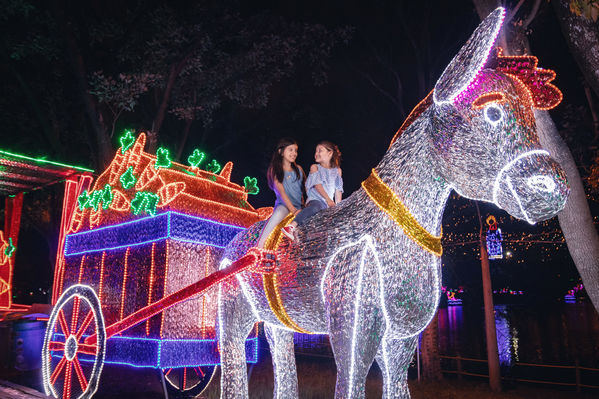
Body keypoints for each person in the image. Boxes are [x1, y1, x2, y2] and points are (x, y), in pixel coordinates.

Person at [282, 140, 343, 240]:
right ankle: (291, 226)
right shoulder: (315, 167)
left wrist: (338, 207)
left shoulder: (337, 171)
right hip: (316, 200)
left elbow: (338, 190)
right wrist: (328, 200)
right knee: (317, 206)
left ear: (330, 153)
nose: (316, 154)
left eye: (320, 151)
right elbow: (317, 185)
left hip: (327, 204)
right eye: (316, 151)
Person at [256, 138, 305, 248]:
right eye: (290, 150)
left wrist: (302, 206)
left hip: (298, 206)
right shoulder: (275, 169)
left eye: (296, 150)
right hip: (284, 205)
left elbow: (302, 190)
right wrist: (293, 210)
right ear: (281, 152)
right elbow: (281, 192)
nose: (294, 153)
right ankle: (259, 245)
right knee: (276, 217)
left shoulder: (299, 170)